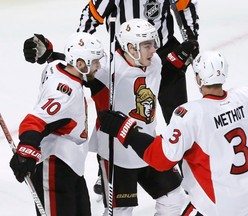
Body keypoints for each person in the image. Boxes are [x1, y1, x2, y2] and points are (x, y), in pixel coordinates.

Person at [23, 0, 200, 197]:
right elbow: (90, 19)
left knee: (179, 117)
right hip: (123, 57)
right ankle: (106, 169)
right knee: (113, 115)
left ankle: (191, 171)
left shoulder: (157, 60)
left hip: (161, 52)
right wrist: (72, 52)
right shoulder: (108, 68)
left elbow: (185, 4)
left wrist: (191, 41)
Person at [98, 50, 248, 216]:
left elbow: (161, 158)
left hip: (215, 209)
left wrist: (126, 129)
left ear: (198, 78)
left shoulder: (190, 115)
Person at [10, 32, 105, 216]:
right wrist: (26, 151)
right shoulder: (64, 94)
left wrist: (48, 52)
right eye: (94, 62)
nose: (98, 66)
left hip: (72, 168)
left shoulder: (57, 66)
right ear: (80, 64)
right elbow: (34, 121)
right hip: (54, 169)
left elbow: (57, 61)